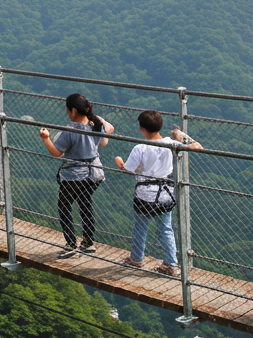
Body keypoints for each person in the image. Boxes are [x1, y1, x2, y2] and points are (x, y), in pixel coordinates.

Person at [114, 109, 202, 276]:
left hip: (145, 195)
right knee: (166, 228)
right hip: (164, 194)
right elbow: (197, 146)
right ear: (160, 127)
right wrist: (180, 136)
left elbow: (128, 169)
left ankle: (136, 259)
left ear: (142, 129)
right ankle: (170, 264)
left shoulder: (140, 148)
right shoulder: (171, 143)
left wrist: (119, 162)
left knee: (140, 228)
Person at [38, 93, 114, 258]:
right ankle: (88, 242)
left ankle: (71, 244)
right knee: (84, 203)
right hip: (94, 174)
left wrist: (46, 138)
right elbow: (104, 142)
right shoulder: (95, 125)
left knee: (64, 206)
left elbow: (57, 152)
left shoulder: (70, 131)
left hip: (74, 175)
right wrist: (103, 123)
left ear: (72, 110)